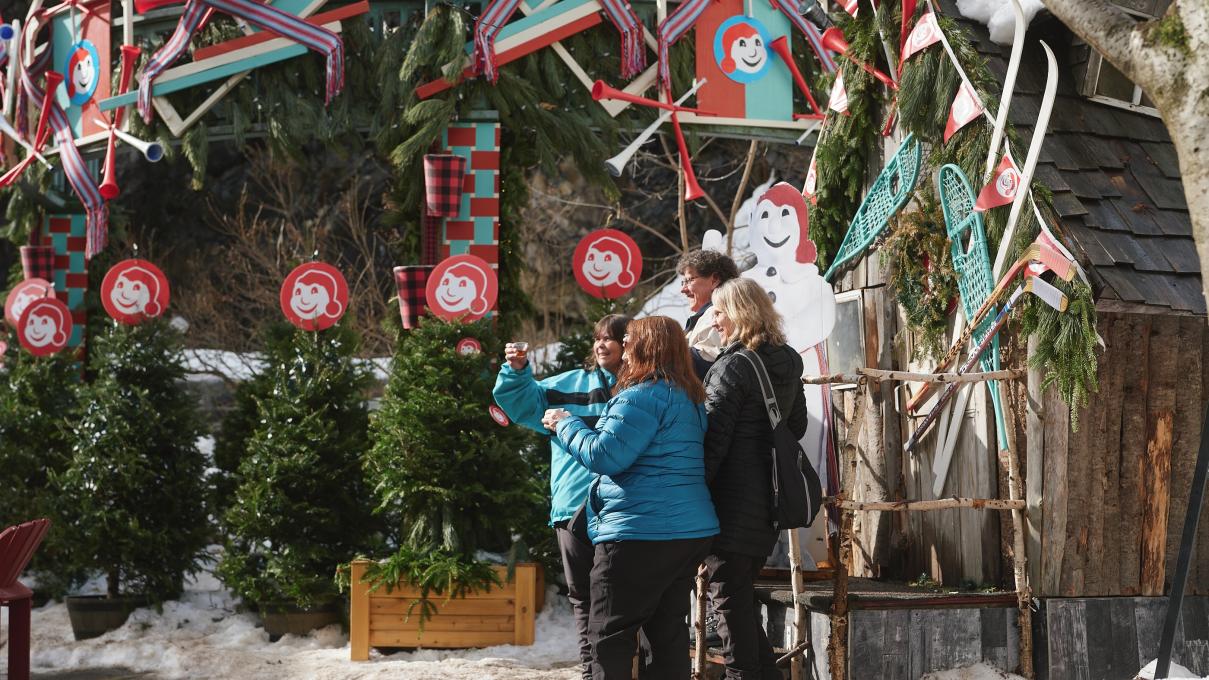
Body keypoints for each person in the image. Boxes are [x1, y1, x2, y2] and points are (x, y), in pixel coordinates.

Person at [543, 316, 719, 680]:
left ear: (644, 348)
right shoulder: (689, 398)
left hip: (638, 532)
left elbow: (605, 456)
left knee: (608, 634)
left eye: (629, 343)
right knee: (667, 633)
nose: (623, 353)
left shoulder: (639, 397)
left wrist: (566, 423)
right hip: (689, 532)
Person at [492, 315, 631, 680]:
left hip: (628, 509)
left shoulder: (644, 385)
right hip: (574, 508)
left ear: (630, 343)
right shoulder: (570, 383)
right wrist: (517, 369)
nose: (601, 344)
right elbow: (521, 404)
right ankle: (591, 672)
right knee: (584, 598)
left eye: (611, 338)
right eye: (597, 338)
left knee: (628, 599)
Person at [701, 278, 809, 680]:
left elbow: (714, 440)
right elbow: (795, 425)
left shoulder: (731, 366)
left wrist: (695, 493)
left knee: (728, 601)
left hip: (730, 499)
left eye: (719, 311)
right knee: (740, 599)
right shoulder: (788, 361)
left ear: (740, 313)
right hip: (771, 496)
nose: (715, 320)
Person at [677, 250, 740, 379]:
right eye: (683, 282)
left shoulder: (718, 316)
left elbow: (705, 364)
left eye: (689, 280)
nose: (683, 289)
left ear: (715, 280)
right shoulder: (707, 315)